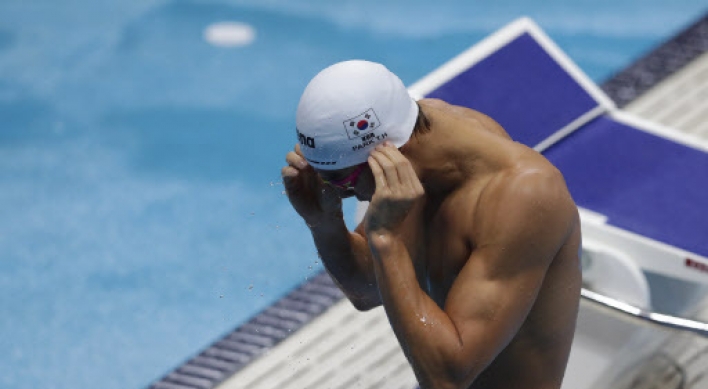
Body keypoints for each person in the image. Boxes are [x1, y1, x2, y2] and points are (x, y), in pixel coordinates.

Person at [282, 60, 582, 389]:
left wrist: (387, 239)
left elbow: (446, 379)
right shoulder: (415, 149)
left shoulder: (523, 195)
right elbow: (365, 289)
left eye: (346, 183)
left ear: (390, 153)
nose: (343, 193)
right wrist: (324, 223)